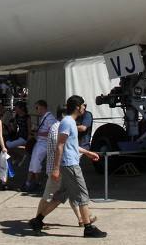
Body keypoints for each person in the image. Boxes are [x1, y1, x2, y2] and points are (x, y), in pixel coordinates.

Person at [27, 96, 106, 237]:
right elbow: (60, 145)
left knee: (59, 197)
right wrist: (56, 168)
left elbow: (71, 145)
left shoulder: (70, 123)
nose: (84, 108)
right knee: (82, 195)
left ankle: (37, 221)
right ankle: (88, 227)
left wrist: (87, 153)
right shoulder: (67, 122)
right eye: (83, 105)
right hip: (70, 165)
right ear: (77, 107)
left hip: (69, 164)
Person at [23, 99, 56, 194]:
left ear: (42, 107)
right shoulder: (45, 117)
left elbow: (52, 131)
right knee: (33, 163)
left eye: (37, 108)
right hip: (40, 143)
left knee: (35, 163)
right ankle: (32, 183)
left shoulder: (49, 118)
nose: (36, 110)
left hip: (44, 144)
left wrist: (38, 132)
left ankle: (34, 183)